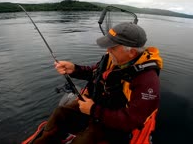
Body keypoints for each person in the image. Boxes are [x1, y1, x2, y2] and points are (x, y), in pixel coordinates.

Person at [31, 22, 163, 144]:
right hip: (98, 106)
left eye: (112, 47)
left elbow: (132, 120)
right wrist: (74, 69)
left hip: (113, 123)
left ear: (131, 52)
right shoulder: (112, 58)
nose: (107, 50)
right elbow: (94, 72)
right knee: (60, 113)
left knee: (85, 139)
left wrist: (93, 110)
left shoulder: (147, 81)